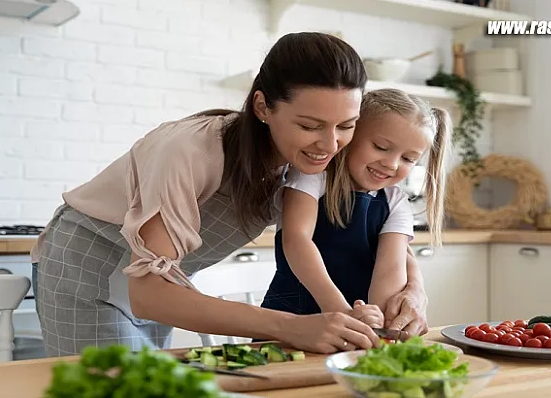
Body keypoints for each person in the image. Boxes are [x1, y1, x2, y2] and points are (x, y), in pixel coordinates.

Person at [30, 32, 430, 357]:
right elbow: (149, 296)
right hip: (87, 269)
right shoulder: (188, 150)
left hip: (166, 282)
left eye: (347, 125)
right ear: (262, 106)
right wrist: (291, 325)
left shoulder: (309, 162)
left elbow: (389, 237)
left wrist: (414, 291)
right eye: (310, 125)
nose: (330, 144)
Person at [260, 89, 452, 336]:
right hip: (290, 321)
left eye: (408, 158)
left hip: (356, 327)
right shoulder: (313, 176)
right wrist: (338, 309)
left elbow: (391, 270)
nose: (391, 164)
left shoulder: (396, 203)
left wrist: (380, 320)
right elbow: (296, 239)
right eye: (381, 147)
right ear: (350, 134)